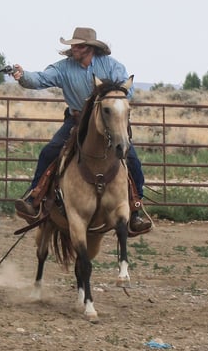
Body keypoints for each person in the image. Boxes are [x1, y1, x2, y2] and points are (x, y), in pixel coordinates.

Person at [11, 27, 152, 233]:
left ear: (90, 48)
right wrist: (23, 75)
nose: (74, 48)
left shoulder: (112, 66)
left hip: (107, 121)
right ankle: (35, 199)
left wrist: (112, 95)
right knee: (50, 151)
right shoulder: (63, 68)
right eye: (73, 45)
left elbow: (126, 90)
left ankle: (135, 210)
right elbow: (40, 78)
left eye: (79, 45)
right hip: (77, 120)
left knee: (132, 160)